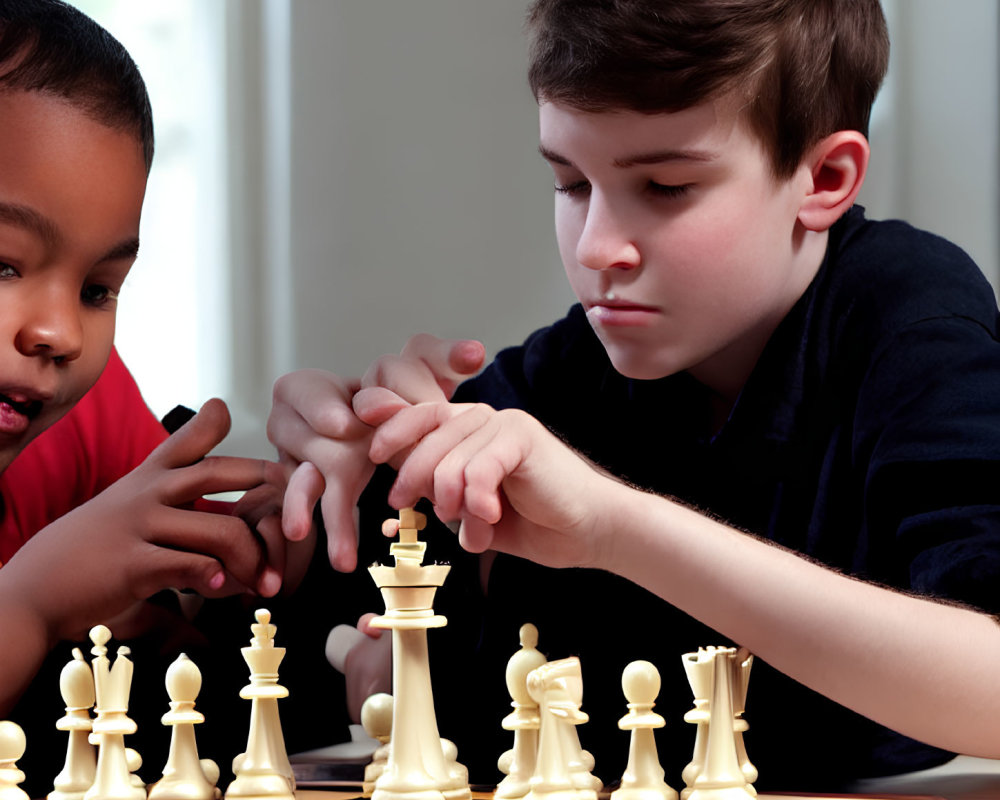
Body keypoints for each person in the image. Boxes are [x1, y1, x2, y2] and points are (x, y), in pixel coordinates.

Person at [269, 0, 1000, 792]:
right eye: (570, 182)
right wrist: (329, 492)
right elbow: (346, 646)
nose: (596, 250)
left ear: (823, 178)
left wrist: (616, 527)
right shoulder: (566, 374)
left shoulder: (911, 318)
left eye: (665, 185)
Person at [0, 2, 311, 790]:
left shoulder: (82, 409)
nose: (58, 332)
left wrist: (288, 525)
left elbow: (200, 583)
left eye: (99, 289)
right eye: (3, 266)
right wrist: (34, 604)